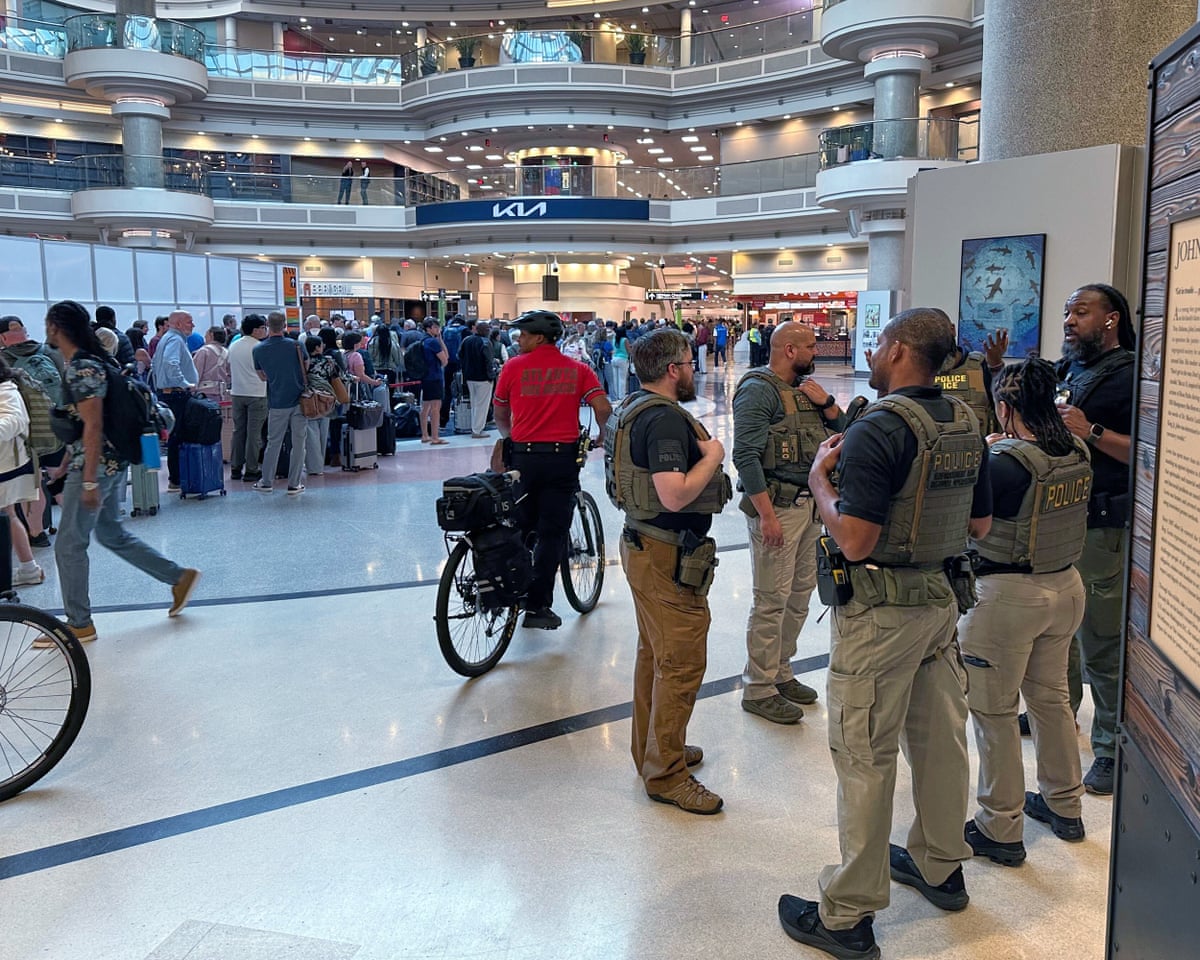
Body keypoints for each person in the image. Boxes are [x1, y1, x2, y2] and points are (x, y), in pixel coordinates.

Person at [779, 308, 991, 960]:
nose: (870, 350)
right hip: (939, 604)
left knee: (864, 755)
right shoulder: (965, 422)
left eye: (878, 341)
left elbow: (857, 536)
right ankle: (939, 864)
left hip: (882, 615)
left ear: (899, 349)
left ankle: (846, 915)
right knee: (940, 742)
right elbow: (979, 527)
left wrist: (819, 482)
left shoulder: (879, 429)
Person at [987, 283, 1135, 797]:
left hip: (1102, 524)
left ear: (1111, 318)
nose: (1069, 320)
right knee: (1061, 637)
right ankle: (1060, 715)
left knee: (1101, 641)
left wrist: (1092, 432)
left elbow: (1151, 451)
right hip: (1058, 520)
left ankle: (1113, 746)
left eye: (1081, 312)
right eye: (1068, 312)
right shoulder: (1068, 371)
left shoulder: (1131, 375)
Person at [960, 358, 1091, 869]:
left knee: (993, 712)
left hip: (1009, 596)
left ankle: (1000, 825)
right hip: (1066, 587)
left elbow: (973, 525)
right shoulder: (1076, 448)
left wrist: (984, 459)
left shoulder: (1005, 462)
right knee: (1051, 700)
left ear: (1005, 407)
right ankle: (1065, 805)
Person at [610, 327, 731, 813]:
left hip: (645, 546)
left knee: (655, 656)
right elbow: (675, 493)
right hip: (663, 553)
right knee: (679, 662)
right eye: (688, 362)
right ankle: (665, 774)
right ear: (672, 369)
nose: (693, 370)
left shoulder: (633, 407)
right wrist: (715, 457)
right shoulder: (662, 420)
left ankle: (656, 751)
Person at [44, 300, 200, 645]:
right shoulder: (96, 361)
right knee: (111, 533)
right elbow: (83, 423)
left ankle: (78, 623)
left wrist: (86, 478)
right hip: (111, 463)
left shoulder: (81, 368)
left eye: (47, 324)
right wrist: (68, 464)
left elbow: (94, 424)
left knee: (69, 543)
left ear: (56, 326)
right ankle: (178, 578)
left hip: (97, 466)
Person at [732, 322, 844, 725]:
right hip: (777, 508)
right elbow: (744, 455)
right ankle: (758, 688)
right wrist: (766, 516)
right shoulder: (758, 389)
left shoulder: (808, 390)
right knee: (771, 599)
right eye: (813, 346)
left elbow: (845, 434)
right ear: (791, 349)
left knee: (799, 596)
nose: (818, 352)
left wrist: (828, 404)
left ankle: (780, 670)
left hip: (810, 508)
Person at [492, 309, 612, 629]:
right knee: (553, 533)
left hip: (522, 459)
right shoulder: (578, 369)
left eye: (524, 335)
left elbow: (500, 411)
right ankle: (537, 607)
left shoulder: (513, 367)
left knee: (520, 525)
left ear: (540, 337)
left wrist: (509, 437)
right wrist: (601, 435)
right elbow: (602, 408)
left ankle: (511, 586)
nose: (518, 340)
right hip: (561, 460)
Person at [0, 355, 44, 588]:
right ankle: (28, 569)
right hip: (9, 463)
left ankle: (25, 570)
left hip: (7, 466)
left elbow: (13, 420)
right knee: (8, 516)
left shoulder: (6, 391)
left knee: (7, 517)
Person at [252, 311, 308, 495]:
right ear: (284, 325)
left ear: (267, 325)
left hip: (276, 401)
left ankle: (267, 481)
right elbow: (306, 367)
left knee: (273, 442)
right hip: (300, 400)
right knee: (298, 443)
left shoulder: (258, 349)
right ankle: (294, 483)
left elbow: (262, 377)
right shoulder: (297, 346)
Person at [149, 310, 198, 495]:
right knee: (178, 437)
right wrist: (185, 384)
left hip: (167, 394)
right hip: (176, 395)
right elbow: (171, 363)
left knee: (174, 437)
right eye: (189, 322)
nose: (193, 325)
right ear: (177, 324)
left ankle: (176, 478)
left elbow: (155, 365)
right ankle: (177, 479)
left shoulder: (166, 339)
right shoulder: (175, 340)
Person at [228, 314, 269, 483]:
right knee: (254, 434)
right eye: (263, 328)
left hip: (237, 393)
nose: (265, 330)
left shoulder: (234, 346)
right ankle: (251, 470)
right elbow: (266, 373)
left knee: (238, 431)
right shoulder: (260, 347)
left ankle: (235, 468)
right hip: (257, 394)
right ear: (256, 330)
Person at [303, 335, 345, 480]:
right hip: (326, 400)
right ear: (317, 347)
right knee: (323, 431)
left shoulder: (303, 362)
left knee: (310, 432)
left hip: (309, 399)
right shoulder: (328, 361)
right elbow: (339, 377)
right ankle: (319, 464)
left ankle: (314, 466)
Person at [935, 340, 995, 437]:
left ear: (952, 329)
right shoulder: (917, 371)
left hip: (980, 447)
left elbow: (998, 409)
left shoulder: (978, 365)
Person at [459, 320, 494, 438]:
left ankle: (475, 427)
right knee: (482, 405)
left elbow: (459, 355)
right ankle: (478, 430)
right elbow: (488, 361)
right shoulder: (486, 342)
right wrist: (491, 376)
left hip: (469, 376)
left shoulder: (466, 340)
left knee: (474, 403)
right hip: (483, 377)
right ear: (486, 331)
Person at [417, 320, 449, 444]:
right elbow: (445, 359)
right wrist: (440, 340)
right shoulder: (433, 342)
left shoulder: (422, 341)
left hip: (425, 377)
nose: (438, 330)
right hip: (435, 377)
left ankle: (425, 435)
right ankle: (435, 437)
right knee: (436, 407)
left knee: (425, 407)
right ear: (428, 329)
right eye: (435, 327)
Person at [193, 326, 231, 403]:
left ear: (211, 335)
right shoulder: (227, 353)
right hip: (222, 394)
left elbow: (196, 374)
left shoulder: (204, 351)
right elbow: (230, 375)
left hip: (204, 394)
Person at [367, 319, 402, 384]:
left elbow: (370, 357)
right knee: (390, 391)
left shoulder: (372, 343)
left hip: (376, 371)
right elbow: (397, 359)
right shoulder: (392, 343)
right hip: (390, 370)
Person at [610, 325, 630, 402]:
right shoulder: (625, 340)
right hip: (623, 359)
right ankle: (622, 396)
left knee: (615, 378)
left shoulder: (614, 339)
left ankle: (616, 394)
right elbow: (628, 350)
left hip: (614, 358)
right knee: (622, 378)